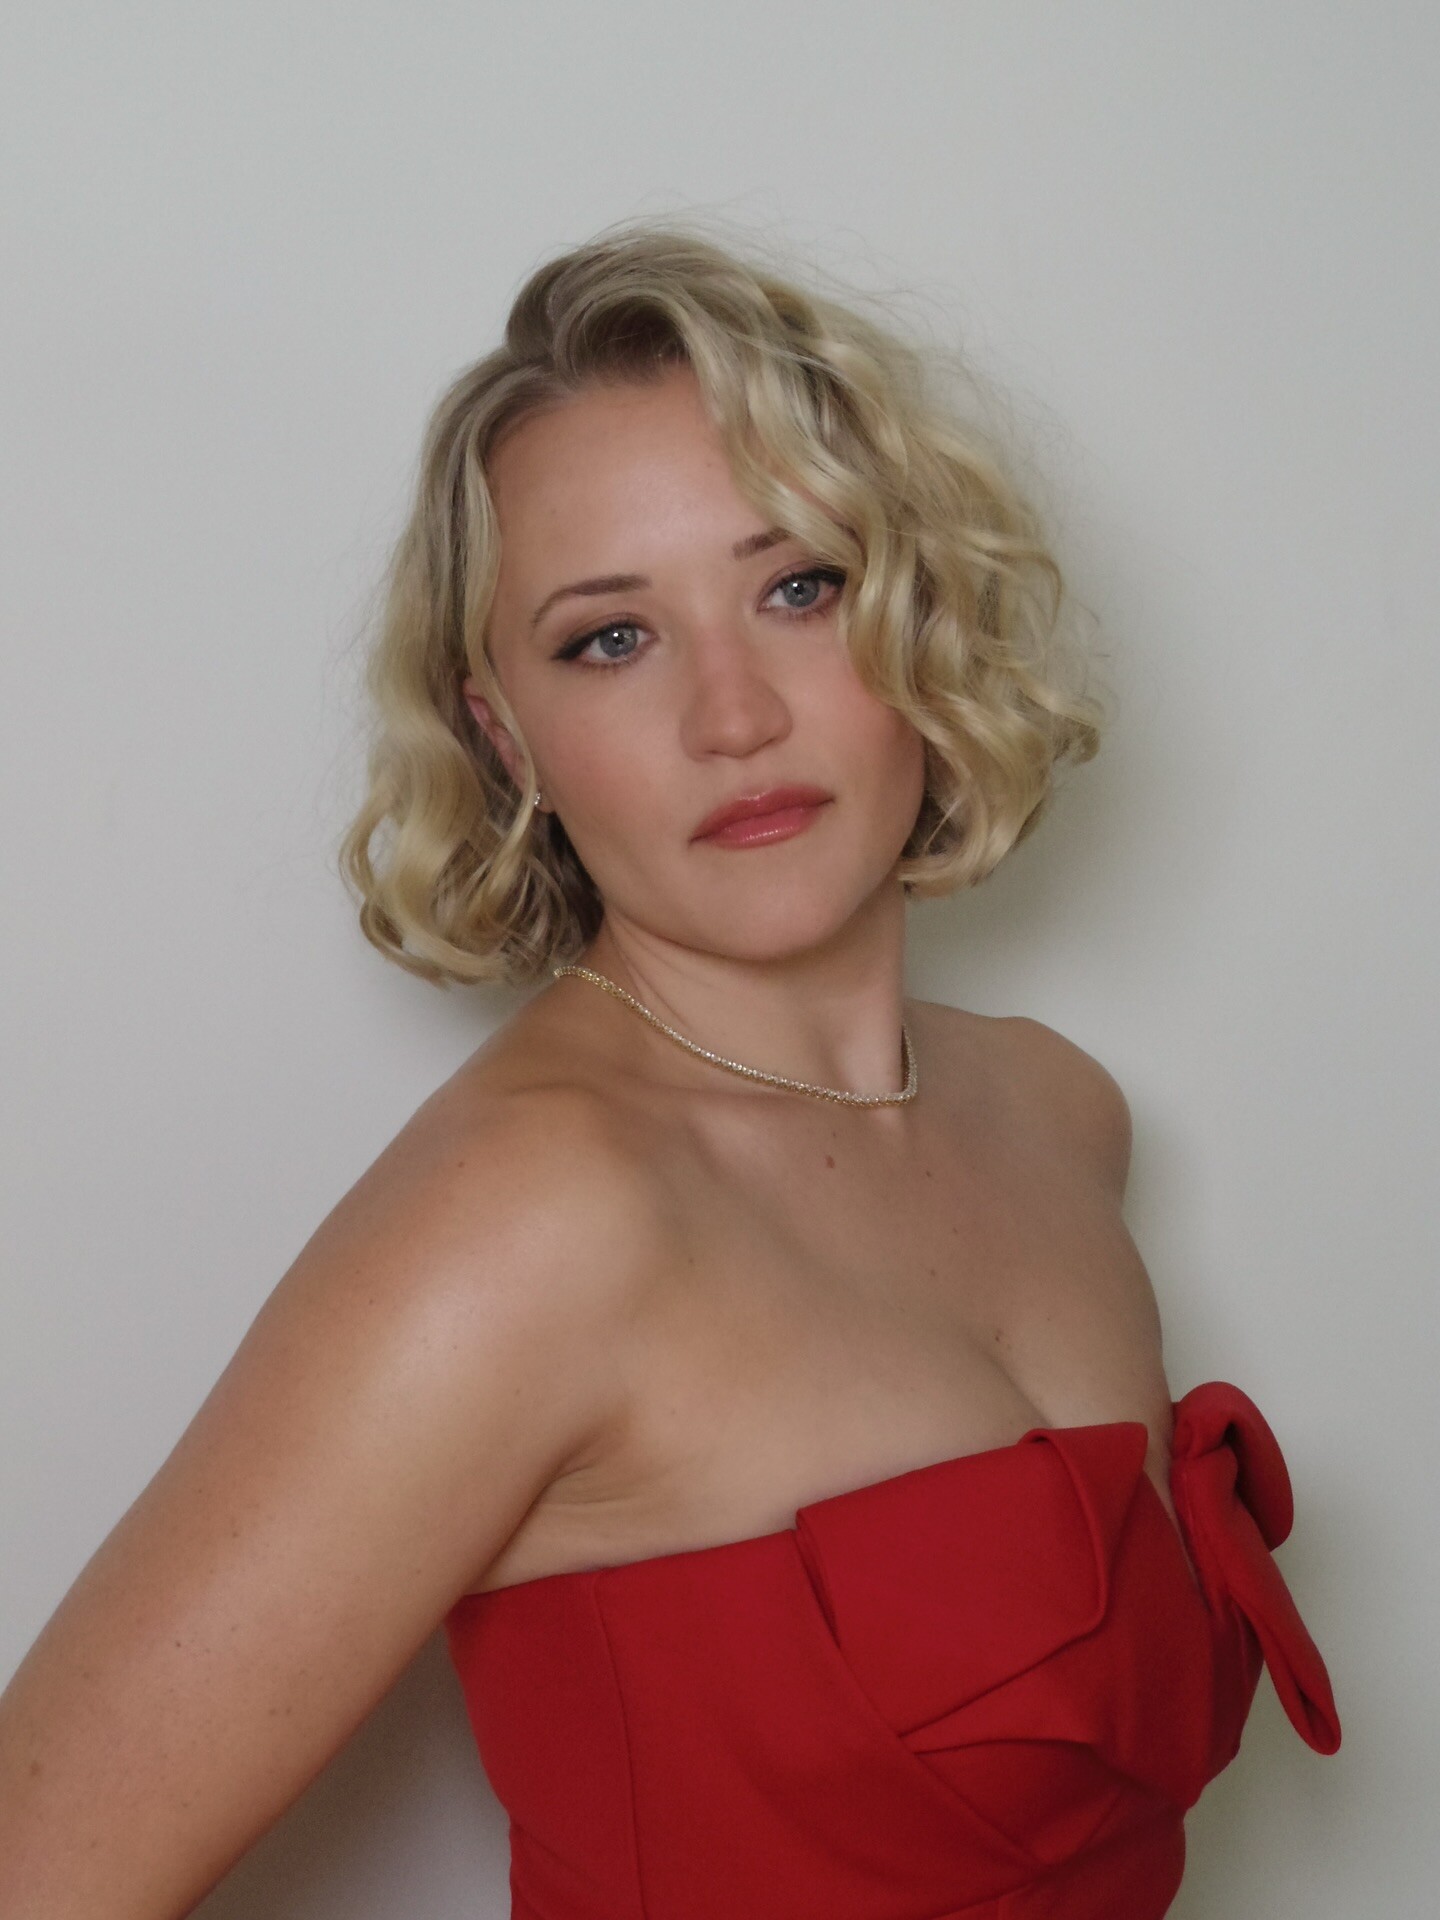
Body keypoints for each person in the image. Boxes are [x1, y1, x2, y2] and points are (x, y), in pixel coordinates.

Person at [0, 218, 1340, 1919]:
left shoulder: (1057, 1112)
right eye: (610, 640)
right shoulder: (531, 1222)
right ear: (505, 732)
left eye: (800, 587)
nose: (734, 716)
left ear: (919, 609)